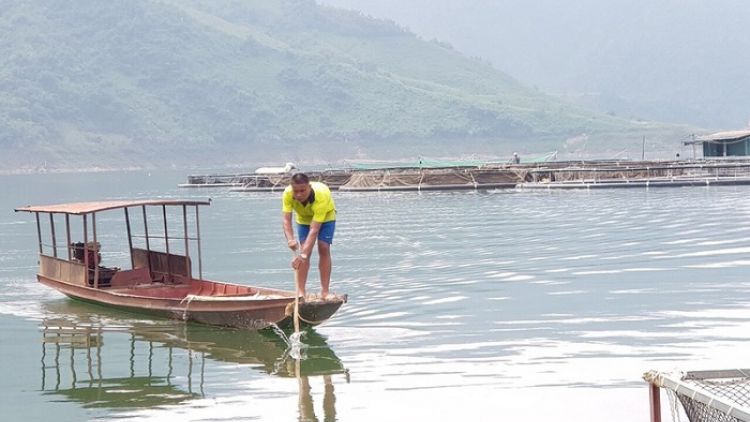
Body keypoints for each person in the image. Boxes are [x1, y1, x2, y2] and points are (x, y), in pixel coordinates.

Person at [282, 173, 336, 298]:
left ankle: (324, 291)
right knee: (303, 248)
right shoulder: (287, 194)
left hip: (326, 217)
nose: (299, 195)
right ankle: (301, 292)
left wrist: (303, 255)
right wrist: (290, 239)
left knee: (323, 247)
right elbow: (286, 220)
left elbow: (314, 229)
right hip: (303, 218)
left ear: (309, 187)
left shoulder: (320, 195)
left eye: (302, 191)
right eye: (296, 191)